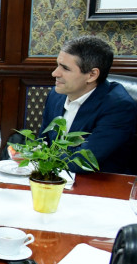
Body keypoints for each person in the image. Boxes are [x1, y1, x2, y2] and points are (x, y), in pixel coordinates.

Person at [41, 36, 137, 174]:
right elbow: (43, 141)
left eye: (65, 68)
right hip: (55, 178)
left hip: (99, 187)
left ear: (92, 75)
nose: (55, 73)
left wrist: (36, 157)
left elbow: (83, 161)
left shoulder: (119, 107)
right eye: (57, 65)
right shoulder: (56, 95)